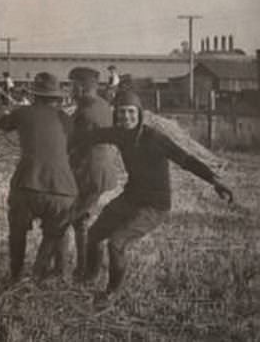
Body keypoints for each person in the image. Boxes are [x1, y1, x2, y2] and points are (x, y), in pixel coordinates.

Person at [73, 90, 234, 304]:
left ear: (139, 114)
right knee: (93, 235)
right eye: (121, 113)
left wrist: (214, 180)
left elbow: (186, 159)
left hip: (155, 205)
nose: (126, 117)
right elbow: (91, 136)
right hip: (130, 197)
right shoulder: (119, 133)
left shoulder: (155, 138)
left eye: (131, 112)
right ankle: (89, 277)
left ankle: (112, 292)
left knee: (117, 242)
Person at [0, 72, 78, 282]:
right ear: (57, 97)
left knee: (17, 230)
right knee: (58, 233)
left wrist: (7, 112)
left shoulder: (23, 113)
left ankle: (15, 274)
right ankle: (57, 273)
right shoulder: (67, 120)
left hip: (27, 185)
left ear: (34, 95)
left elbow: (2, 124)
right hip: (63, 189)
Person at [61, 67, 119, 279]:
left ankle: (86, 271)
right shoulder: (102, 105)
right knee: (81, 220)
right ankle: (85, 269)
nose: (69, 89)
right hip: (99, 171)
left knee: (80, 220)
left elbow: (72, 144)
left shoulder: (85, 112)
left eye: (71, 84)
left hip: (88, 172)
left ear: (81, 87)